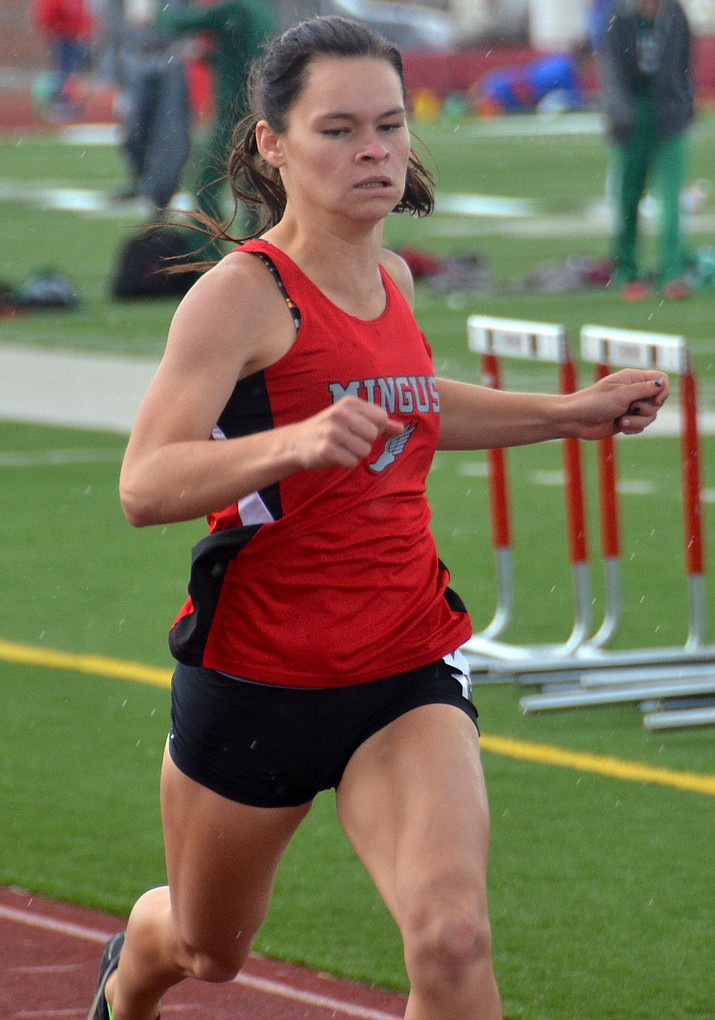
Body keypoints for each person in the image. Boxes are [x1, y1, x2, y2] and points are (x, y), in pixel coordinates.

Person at [88, 16, 670, 1020]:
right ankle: (132, 961)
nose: (373, 152)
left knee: (451, 941)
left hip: (402, 666)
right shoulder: (239, 297)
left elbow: (412, 399)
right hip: (257, 680)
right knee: (202, 946)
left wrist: (565, 414)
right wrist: (292, 442)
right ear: (272, 143)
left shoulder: (391, 276)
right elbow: (145, 483)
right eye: (339, 129)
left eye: (389, 127)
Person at [599, 0, 695, 300]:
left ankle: (672, 271)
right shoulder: (620, 17)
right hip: (632, 115)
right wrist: (620, 113)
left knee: (670, 199)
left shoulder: (675, 15)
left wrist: (684, 106)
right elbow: (612, 71)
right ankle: (627, 271)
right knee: (628, 198)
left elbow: (685, 64)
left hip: (668, 113)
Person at [154, 0, 276, 231]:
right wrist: (208, 56)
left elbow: (180, 23)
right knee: (254, 187)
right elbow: (242, 54)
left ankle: (208, 250)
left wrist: (156, 12)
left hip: (235, 112)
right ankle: (260, 247)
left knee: (205, 186)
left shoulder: (235, 8)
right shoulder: (259, 8)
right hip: (256, 106)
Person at [94, 0, 192, 213]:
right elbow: (113, 30)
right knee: (133, 131)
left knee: (169, 132)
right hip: (135, 58)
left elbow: (186, 17)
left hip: (168, 57)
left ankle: (161, 191)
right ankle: (142, 180)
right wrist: (112, 73)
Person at [472, 45, 590, 117]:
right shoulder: (567, 69)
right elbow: (575, 99)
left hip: (516, 83)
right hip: (520, 89)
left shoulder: (560, 60)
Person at [32, 0, 94, 120]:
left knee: (71, 73)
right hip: (63, 38)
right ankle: (60, 103)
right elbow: (47, 15)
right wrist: (56, 31)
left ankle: (67, 101)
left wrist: (83, 33)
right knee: (63, 72)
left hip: (74, 38)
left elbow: (82, 17)